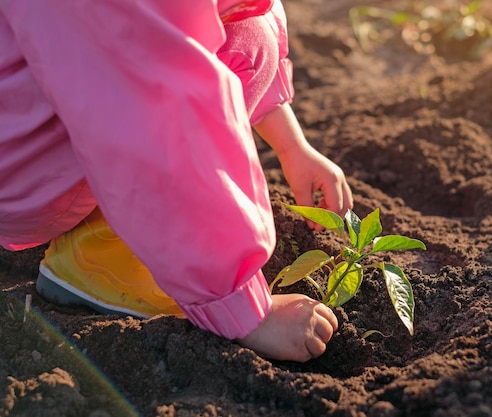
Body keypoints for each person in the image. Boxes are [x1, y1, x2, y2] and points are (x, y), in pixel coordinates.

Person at [0, 0, 353, 363]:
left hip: (37, 118)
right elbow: (167, 117)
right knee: (173, 92)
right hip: (15, 167)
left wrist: (292, 147)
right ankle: (100, 266)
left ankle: (113, 232)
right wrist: (246, 312)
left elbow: (239, 14)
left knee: (248, 33)